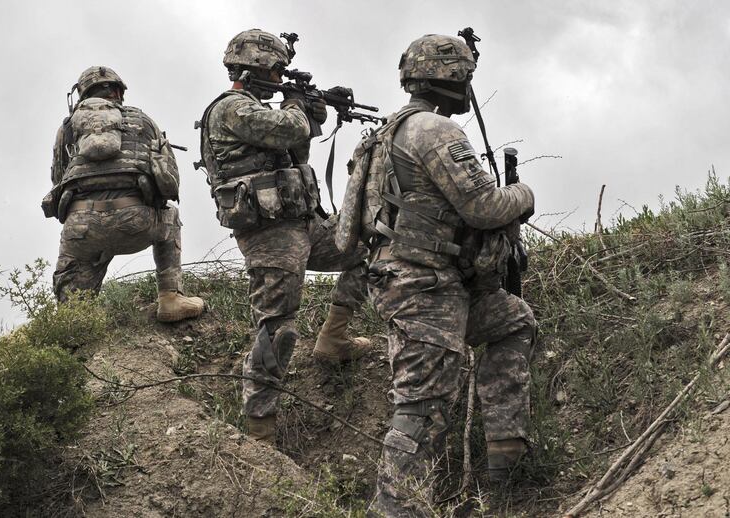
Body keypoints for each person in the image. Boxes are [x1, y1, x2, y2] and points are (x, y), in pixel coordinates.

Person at [338, 35, 537, 516]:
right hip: (423, 288)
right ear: (454, 78)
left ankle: (505, 466)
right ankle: (395, 511)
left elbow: (345, 235)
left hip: (436, 284)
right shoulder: (433, 130)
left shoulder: (381, 136)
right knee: (423, 408)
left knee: (512, 321)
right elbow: (485, 206)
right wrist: (525, 195)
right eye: (466, 75)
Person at [199, 29, 370, 444]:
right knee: (279, 328)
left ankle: (334, 338)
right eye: (276, 71)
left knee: (368, 249)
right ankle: (260, 427)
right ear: (255, 67)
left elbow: (294, 148)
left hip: (304, 223)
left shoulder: (260, 109)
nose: (280, 79)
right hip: (269, 233)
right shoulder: (231, 108)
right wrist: (300, 106)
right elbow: (289, 129)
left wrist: (316, 109)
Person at [46, 66, 204, 323]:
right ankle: (170, 298)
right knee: (170, 216)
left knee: (72, 308)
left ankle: (73, 323)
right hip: (136, 221)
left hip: (81, 229)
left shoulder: (68, 129)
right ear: (118, 91)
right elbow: (168, 182)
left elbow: (58, 180)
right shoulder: (143, 120)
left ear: (82, 95)